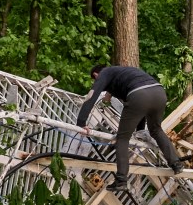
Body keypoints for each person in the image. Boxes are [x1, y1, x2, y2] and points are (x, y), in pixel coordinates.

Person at [76, 64, 184, 192]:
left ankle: (121, 180)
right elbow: (140, 107)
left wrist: (81, 122)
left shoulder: (104, 73)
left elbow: (92, 95)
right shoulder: (124, 72)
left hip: (139, 96)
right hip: (159, 93)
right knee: (156, 130)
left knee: (122, 138)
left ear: (95, 75)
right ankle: (176, 164)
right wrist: (139, 129)